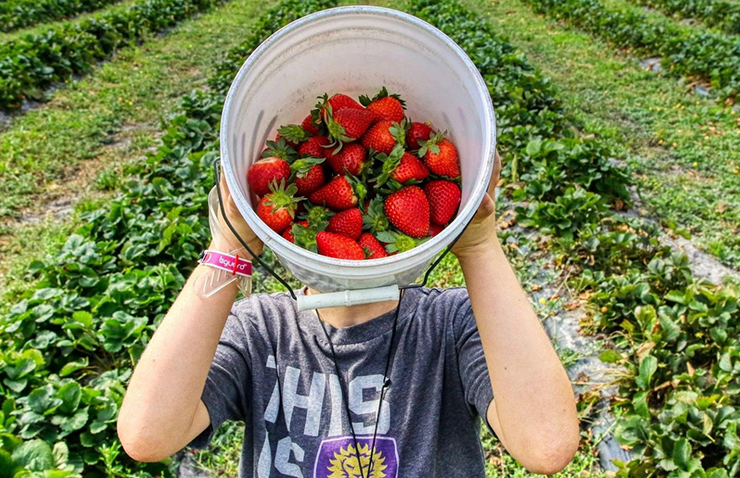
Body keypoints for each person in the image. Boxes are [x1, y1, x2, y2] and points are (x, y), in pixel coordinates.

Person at [117, 152, 580, 477]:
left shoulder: (450, 324)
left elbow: (546, 443)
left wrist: (478, 244)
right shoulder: (260, 330)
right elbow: (147, 435)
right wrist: (227, 247)